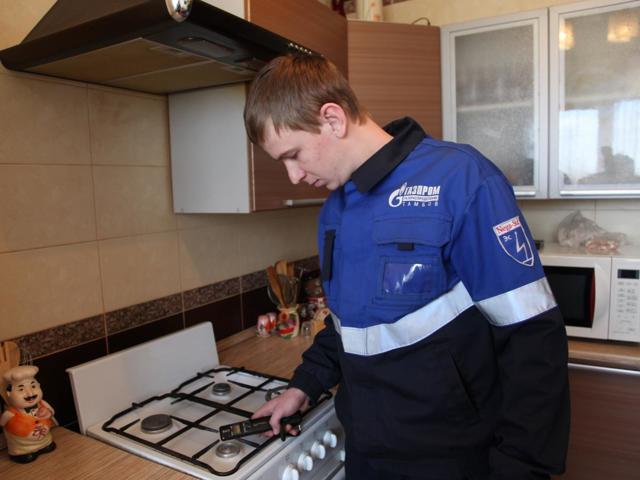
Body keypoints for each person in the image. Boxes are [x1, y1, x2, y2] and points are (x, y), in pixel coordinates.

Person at [244, 54, 569, 480]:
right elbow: (348, 325)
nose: (293, 176)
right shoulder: (335, 211)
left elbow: (533, 338)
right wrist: (304, 384)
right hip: (367, 452)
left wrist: (520, 468)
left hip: (453, 458)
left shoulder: (462, 179)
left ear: (333, 119)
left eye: (294, 155)